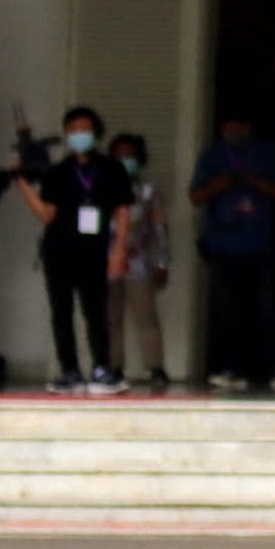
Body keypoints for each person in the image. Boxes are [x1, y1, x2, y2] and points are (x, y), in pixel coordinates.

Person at [11, 103, 129, 393]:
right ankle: (70, 371)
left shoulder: (111, 168)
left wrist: (118, 250)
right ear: (65, 134)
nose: (79, 135)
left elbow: (122, 212)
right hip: (59, 251)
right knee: (61, 313)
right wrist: (23, 185)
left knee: (96, 312)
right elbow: (46, 214)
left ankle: (101, 368)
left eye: (84, 129)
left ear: (96, 132)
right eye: (73, 130)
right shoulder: (58, 172)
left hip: (94, 251)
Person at [189, 116, 275, 395]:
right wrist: (220, 184)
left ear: (248, 127)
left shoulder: (266, 154)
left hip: (258, 244)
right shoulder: (212, 157)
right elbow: (195, 196)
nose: (234, 131)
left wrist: (257, 183)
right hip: (223, 245)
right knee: (227, 309)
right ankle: (232, 369)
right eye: (229, 126)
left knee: (264, 308)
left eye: (239, 126)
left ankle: (274, 369)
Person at [105, 130, 172, 393]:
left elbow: (159, 230)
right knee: (110, 318)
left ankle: (156, 367)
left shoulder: (148, 192)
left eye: (130, 156)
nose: (125, 162)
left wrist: (162, 262)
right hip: (107, 263)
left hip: (139, 264)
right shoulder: (100, 188)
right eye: (119, 156)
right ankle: (113, 367)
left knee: (146, 317)